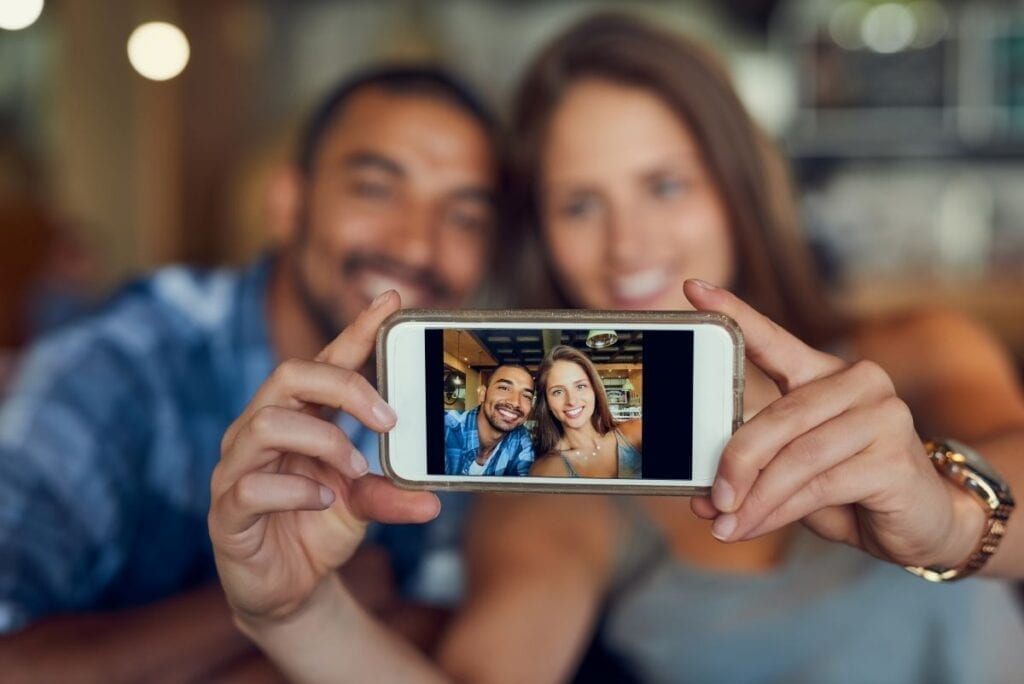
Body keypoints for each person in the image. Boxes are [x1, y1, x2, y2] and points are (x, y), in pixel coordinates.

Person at [207, 13, 1024, 683]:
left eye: (665, 185)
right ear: (541, 232)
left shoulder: (912, 355)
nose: (628, 246)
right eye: (579, 204)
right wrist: (296, 615)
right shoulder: (562, 486)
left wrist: (947, 520)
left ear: (733, 188)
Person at [0, 65, 499, 681]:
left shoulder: (474, 402)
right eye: (376, 189)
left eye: (466, 217)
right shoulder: (115, 364)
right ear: (288, 203)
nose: (420, 246)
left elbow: (440, 637)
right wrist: (317, 595)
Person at [528, 345, 640, 478]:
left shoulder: (635, 431)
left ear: (594, 389)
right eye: (557, 392)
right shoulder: (546, 471)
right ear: (546, 402)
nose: (572, 401)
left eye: (580, 386)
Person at [444, 363, 536, 476]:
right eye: (504, 388)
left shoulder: (522, 441)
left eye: (526, 396)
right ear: (483, 394)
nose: (515, 402)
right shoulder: (445, 427)